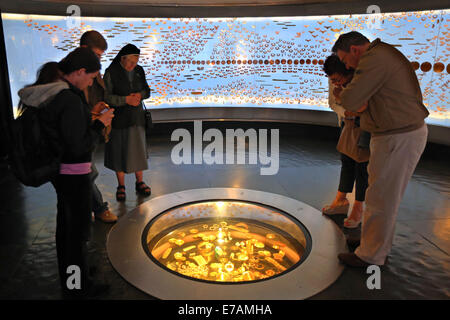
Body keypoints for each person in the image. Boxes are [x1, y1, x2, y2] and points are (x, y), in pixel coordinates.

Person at [332, 31, 429, 267]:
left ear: (354, 50)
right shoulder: (381, 55)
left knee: (381, 198)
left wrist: (343, 93)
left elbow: (353, 100)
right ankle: (371, 244)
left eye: (345, 60)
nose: (347, 66)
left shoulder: (373, 59)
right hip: (394, 134)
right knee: (380, 194)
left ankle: (371, 256)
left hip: (398, 136)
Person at [37, 47, 114, 297]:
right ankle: (77, 289)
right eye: (91, 78)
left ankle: (76, 275)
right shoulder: (68, 98)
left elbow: (68, 136)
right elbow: (78, 145)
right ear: (80, 72)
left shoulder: (60, 93)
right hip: (73, 175)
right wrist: (99, 124)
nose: (91, 83)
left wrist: (90, 120)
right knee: (74, 235)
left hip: (65, 174)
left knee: (70, 231)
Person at [322, 55, 370, 229]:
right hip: (348, 124)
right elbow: (334, 102)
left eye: (337, 79)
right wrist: (346, 112)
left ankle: (358, 208)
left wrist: (349, 107)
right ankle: (340, 201)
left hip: (365, 127)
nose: (334, 83)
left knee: (362, 166)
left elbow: (366, 107)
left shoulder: (363, 78)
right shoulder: (336, 80)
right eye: (331, 79)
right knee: (346, 160)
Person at [103, 44, 151, 201]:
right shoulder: (111, 72)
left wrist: (139, 95)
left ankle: (140, 181)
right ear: (122, 59)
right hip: (119, 119)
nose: (133, 65)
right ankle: (121, 185)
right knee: (118, 152)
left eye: (135, 62)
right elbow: (106, 97)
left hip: (137, 118)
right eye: (130, 62)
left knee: (138, 151)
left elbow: (147, 91)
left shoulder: (139, 71)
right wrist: (125, 100)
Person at [79, 30, 117, 223]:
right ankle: (98, 209)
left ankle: (91, 210)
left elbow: (100, 95)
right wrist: (92, 114)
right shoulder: (73, 75)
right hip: (79, 133)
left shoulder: (91, 72)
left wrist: (99, 109)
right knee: (86, 172)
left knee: (86, 173)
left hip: (90, 129)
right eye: (97, 54)